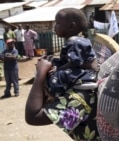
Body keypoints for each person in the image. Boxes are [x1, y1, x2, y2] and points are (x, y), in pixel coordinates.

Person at [25, 8, 100, 141]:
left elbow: (33, 117)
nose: (55, 27)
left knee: (57, 79)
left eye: (58, 23)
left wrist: (40, 75)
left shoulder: (80, 97)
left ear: (71, 26)